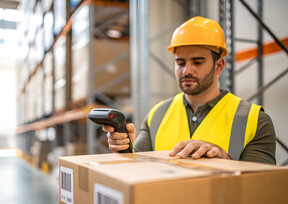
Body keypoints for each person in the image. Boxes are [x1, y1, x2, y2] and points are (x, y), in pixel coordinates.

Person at [103, 16, 276, 165]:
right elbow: (136, 169)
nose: (187, 70)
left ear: (219, 66)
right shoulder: (157, 115)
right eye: (180, 63)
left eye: (197, 62)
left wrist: (225, 160)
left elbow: (262, 188)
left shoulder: (255, 121)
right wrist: (126, 149)